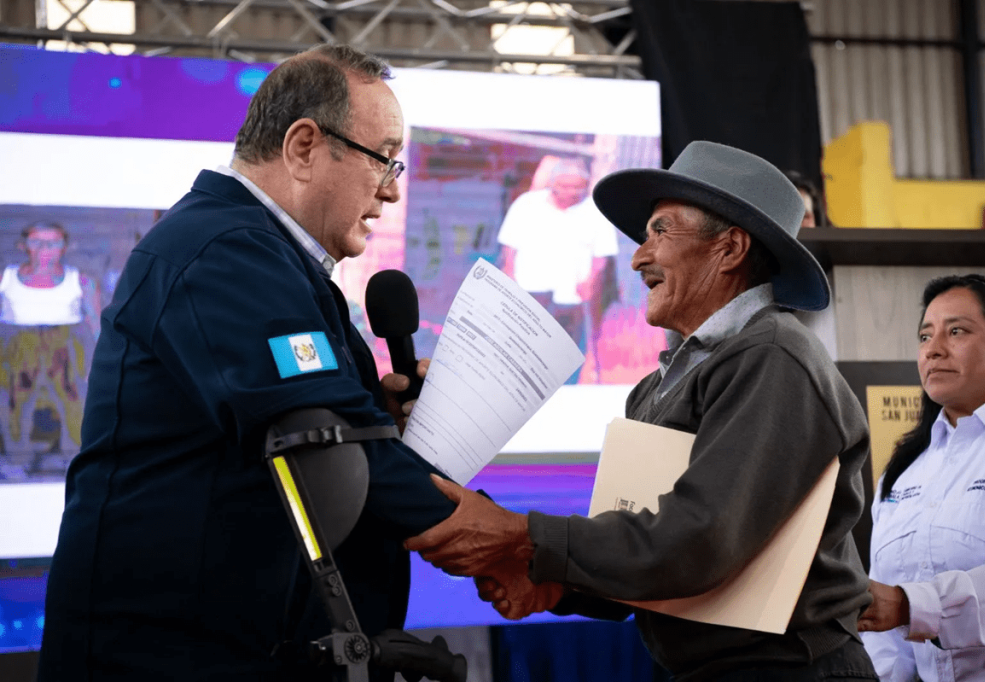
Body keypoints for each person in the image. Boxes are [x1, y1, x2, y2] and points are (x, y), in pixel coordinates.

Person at [37, 44, 459, 682]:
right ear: (303, 147)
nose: (394, 190)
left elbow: (328, 439)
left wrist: (385, 422)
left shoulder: (267, 256)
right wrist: (512, 540)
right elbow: (325, 441)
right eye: (385, 159)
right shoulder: (224, 251)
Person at [408, 141, 878, 680]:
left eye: (660, 230)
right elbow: (652, 561)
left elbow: (696, 544)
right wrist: (556, 583)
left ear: (729, 249)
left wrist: (522, 536)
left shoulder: (770, 357)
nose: (636, 256)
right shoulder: (660, 383)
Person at [857, 274, 985, 681]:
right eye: (924, 336)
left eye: (957, 331)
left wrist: (908, 605)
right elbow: (883, 623)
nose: (933, 350)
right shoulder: (901, 470)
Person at [496, 157, 619, 383]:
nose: (571, 192)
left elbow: (601, 256)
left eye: (577, 186)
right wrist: (509, 275)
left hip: (569, 296)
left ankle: (564, 389)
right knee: (525, 348)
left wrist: (591, 281)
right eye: (565, 186)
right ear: (553, 183)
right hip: (529, 290)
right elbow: (509, 246)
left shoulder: (595, 211)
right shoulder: (527, 204)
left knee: (566, 350)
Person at [0, 221, 101, 471]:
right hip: (18, 347)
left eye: (53, 242)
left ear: (64, 247)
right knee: (14, 404)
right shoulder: (6, 278)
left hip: (66, 346)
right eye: (37, 242)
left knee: (74, 402)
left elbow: (97, 326)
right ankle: (16, 461)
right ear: (24, 246)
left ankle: (75, 460)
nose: (45, 248)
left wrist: (99, 363)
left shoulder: (81, 282)